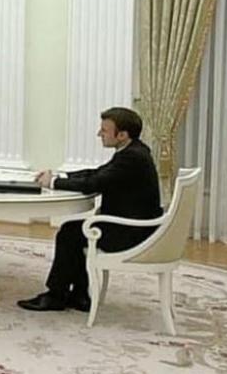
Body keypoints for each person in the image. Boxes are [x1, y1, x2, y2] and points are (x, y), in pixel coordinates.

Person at [18, 107, 163, 312]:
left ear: (122, 135)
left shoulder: (131, 158)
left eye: (104, 130)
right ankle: (79, 296)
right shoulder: (134, 151)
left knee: (70, 233)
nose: (99, 134)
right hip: (134, 226)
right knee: (74, 231)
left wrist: (53, 183)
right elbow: (98, 173)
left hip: (130, 233)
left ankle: (56, 295)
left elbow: (92, 184)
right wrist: (61, 176)